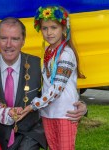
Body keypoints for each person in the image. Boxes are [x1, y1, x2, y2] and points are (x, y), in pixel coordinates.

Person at [0, 17, 87, 150]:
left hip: (29, 133)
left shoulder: (37, 64)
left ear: (23, 41)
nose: (8, 44)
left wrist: (82, 106)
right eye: (4, 38)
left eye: (15, 39)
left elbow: (57, 87)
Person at [20, 6, 86, 150]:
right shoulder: (49, 51)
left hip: (65, 113)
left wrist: (33, 105)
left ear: (64, 29)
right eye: (44, 28)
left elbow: (57, 89)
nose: (49, 32)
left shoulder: (67, 54)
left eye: (53, 27)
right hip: (48, 112)